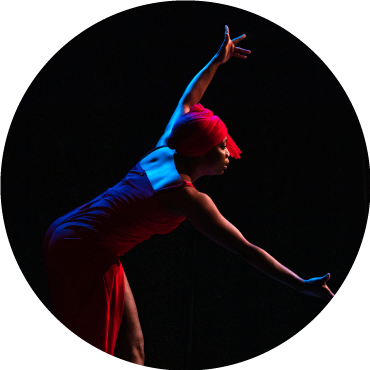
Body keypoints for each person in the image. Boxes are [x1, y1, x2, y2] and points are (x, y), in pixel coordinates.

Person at [43, 26, 335, 367]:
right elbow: (246, 250)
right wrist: (299, 284)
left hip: (76, 235)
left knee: (133, 348)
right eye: (221, 146)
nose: (229, 152)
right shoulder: (187, 198)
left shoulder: (166, 147)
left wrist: (217, 60)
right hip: (83, 249)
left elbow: (189, 101)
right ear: (198, 152)